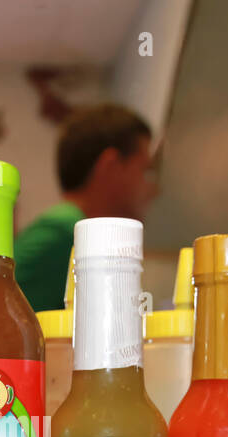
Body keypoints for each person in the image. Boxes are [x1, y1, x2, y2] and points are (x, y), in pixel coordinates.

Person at [14, 104, 156, 311]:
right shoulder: (70, 235)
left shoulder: (65, 227)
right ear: (111, 166)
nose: (153, 189)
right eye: (145, 170)